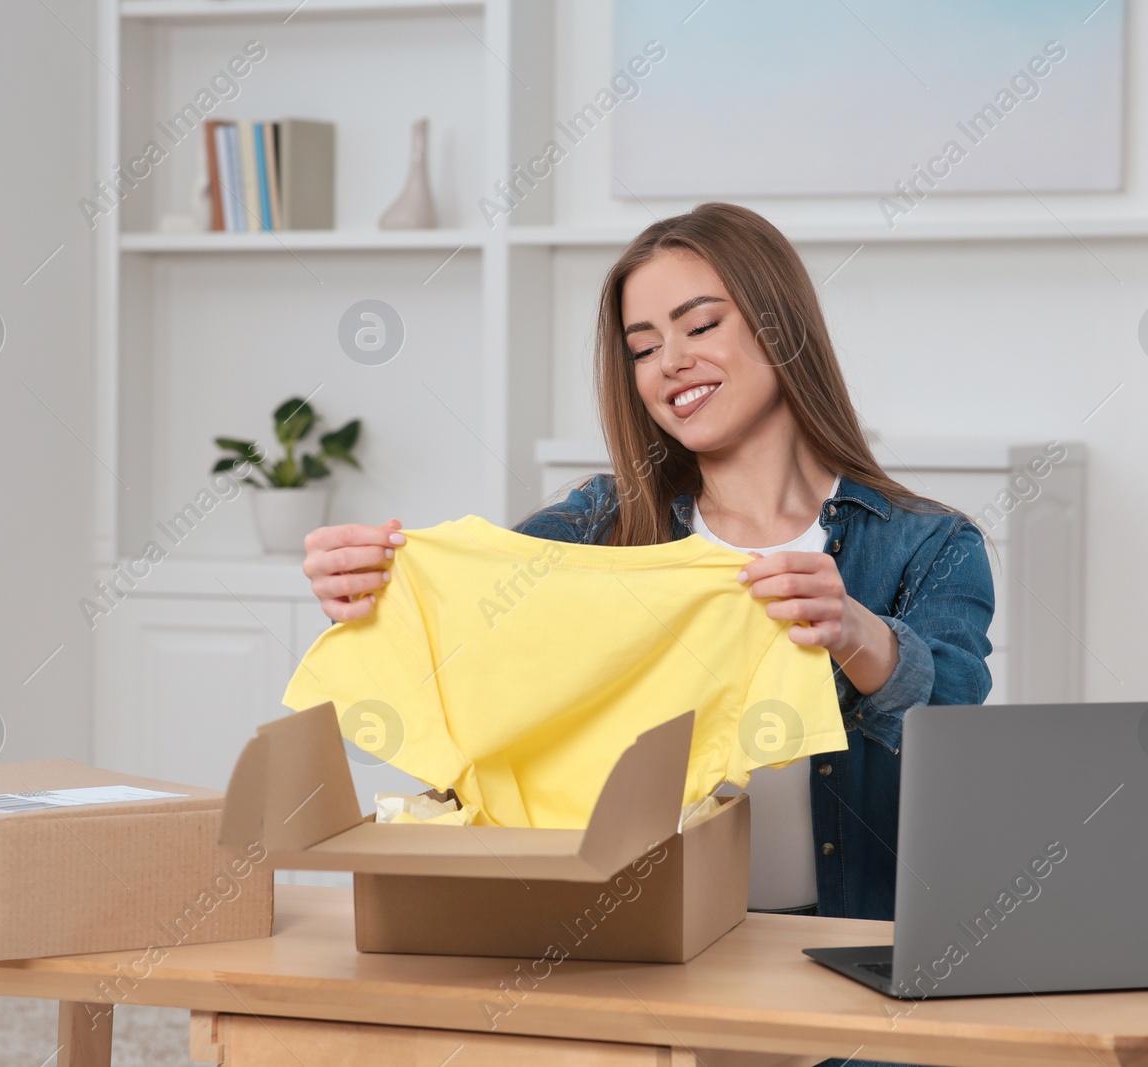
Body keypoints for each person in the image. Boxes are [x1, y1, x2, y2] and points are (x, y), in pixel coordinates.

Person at [304, 202, 993, 1067]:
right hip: (635, 946)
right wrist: (373, 584)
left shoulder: (928, 544)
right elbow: (485, 616)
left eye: (700, 324)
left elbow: (958, 723)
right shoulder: (604, 521)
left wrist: (856, 633)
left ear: (782, 329)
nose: (671, 362)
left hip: (844, 967)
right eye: (641, 347)